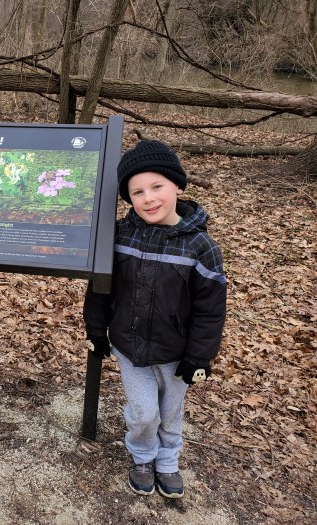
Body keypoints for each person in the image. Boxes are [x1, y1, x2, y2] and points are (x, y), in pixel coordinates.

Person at [84, 140, 227, 498]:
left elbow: (210, 309)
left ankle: (168, 460)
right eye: (137, 192)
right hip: (129, 347)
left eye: (156, 186)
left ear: (177, 186)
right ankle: (143, 456)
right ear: (128, 198)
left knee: (170, 410)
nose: (148, 198)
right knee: (144, 412)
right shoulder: (120, 235)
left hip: (176, 352)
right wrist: (96, 331)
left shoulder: (201, 247)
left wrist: (199, 357)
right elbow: (100, 288)